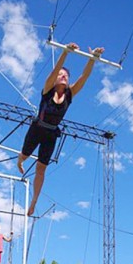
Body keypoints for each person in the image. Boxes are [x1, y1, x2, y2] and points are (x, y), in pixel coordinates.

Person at [17, 43, 105, 216]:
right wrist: (65, 52)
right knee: (25, 155)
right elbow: (54, 70)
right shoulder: (47, 90)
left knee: (41, 169)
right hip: (37, 128)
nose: (63, 76)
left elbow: (84, 77)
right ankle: (19, 161)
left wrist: (93, 58)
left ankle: (34, 200)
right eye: (61, 75)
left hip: (51, 133)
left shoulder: (70, 94)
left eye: (66, 75)